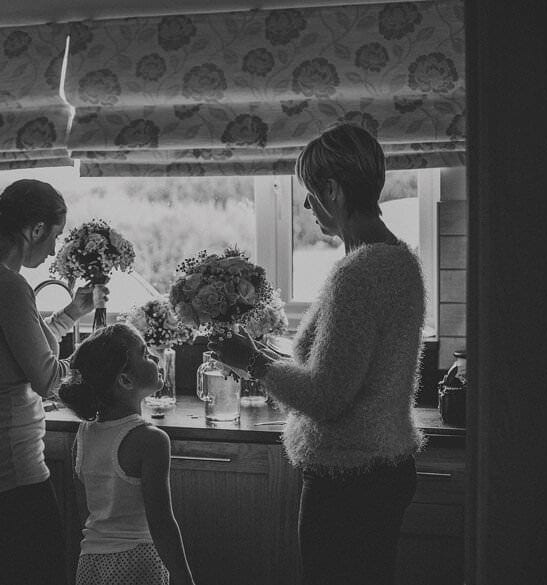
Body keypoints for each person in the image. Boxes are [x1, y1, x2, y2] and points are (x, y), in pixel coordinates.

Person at [209, 122, 426, 585]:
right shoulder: (399, 260)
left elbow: (327, 396)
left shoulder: (359, 274)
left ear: (332, 189)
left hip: (351, 478)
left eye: (310, 192)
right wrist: (263, 352)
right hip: (382, 467)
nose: (307, 205)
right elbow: (344, 369)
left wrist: (252, 362)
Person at [0, 179, 100, 585]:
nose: (53, 249)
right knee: (41, 570)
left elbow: (14, 347)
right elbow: (48, 379)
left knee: (13, 567)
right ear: (34, 230)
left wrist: (70, 314)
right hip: (7, 453)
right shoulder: (8, 285)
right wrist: (94, 364)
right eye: (53, 237)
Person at [59, 323, 196, 585]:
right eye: (145, 354)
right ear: (125, 380)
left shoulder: (84, 434)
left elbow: (84, 511)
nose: (154, 358)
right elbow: (162, 522)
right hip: (138, 561)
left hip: (90, 562)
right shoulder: (151, 440)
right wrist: (183, 577)